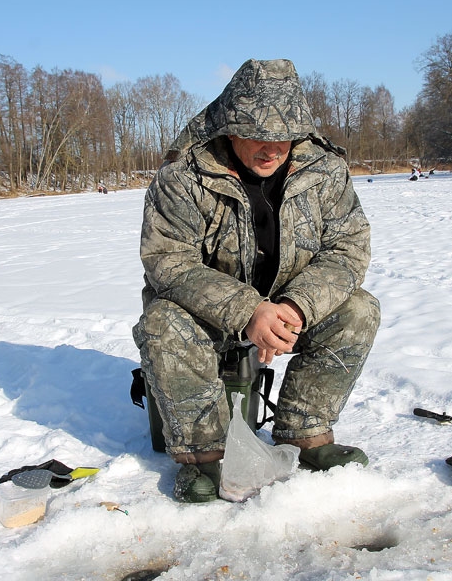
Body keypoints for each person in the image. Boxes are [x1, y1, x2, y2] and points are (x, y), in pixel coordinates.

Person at [132, 59, 381, 503]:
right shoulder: (184, 176)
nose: (271, 149)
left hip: (288, 308)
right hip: (209, 315)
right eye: (256, 136)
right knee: (162, 321)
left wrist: (295, 308)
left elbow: (348, 249)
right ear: (229, 128)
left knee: (359, 308)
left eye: (282, 137)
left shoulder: (325, 171)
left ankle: (307, 435)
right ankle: (199, 458)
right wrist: (248, 311)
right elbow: (167, 261)